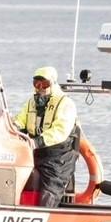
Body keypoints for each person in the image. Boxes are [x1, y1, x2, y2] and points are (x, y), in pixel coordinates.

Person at [14, 65, 80, 208]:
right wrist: (11, 129)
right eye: (36, 84)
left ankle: (44, 219)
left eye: (44, 84)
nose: (40, 87)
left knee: (48, 194)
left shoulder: (65, 103)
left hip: (58, 158)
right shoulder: (31, 102)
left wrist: (37, 142)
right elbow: (20, 120)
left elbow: (60, 131)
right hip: (35, 153)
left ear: (53, 83)